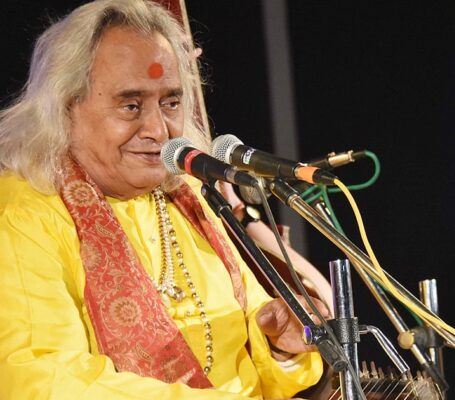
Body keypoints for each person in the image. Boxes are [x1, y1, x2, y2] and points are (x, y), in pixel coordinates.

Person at [0, 1, 327, 398]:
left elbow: (250, 346)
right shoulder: (25, 212)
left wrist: (279, 343)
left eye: (170, 102)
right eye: (131, 105)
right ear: (66, 106)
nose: (158, 129)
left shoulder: (186, 196)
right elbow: (39, 378)